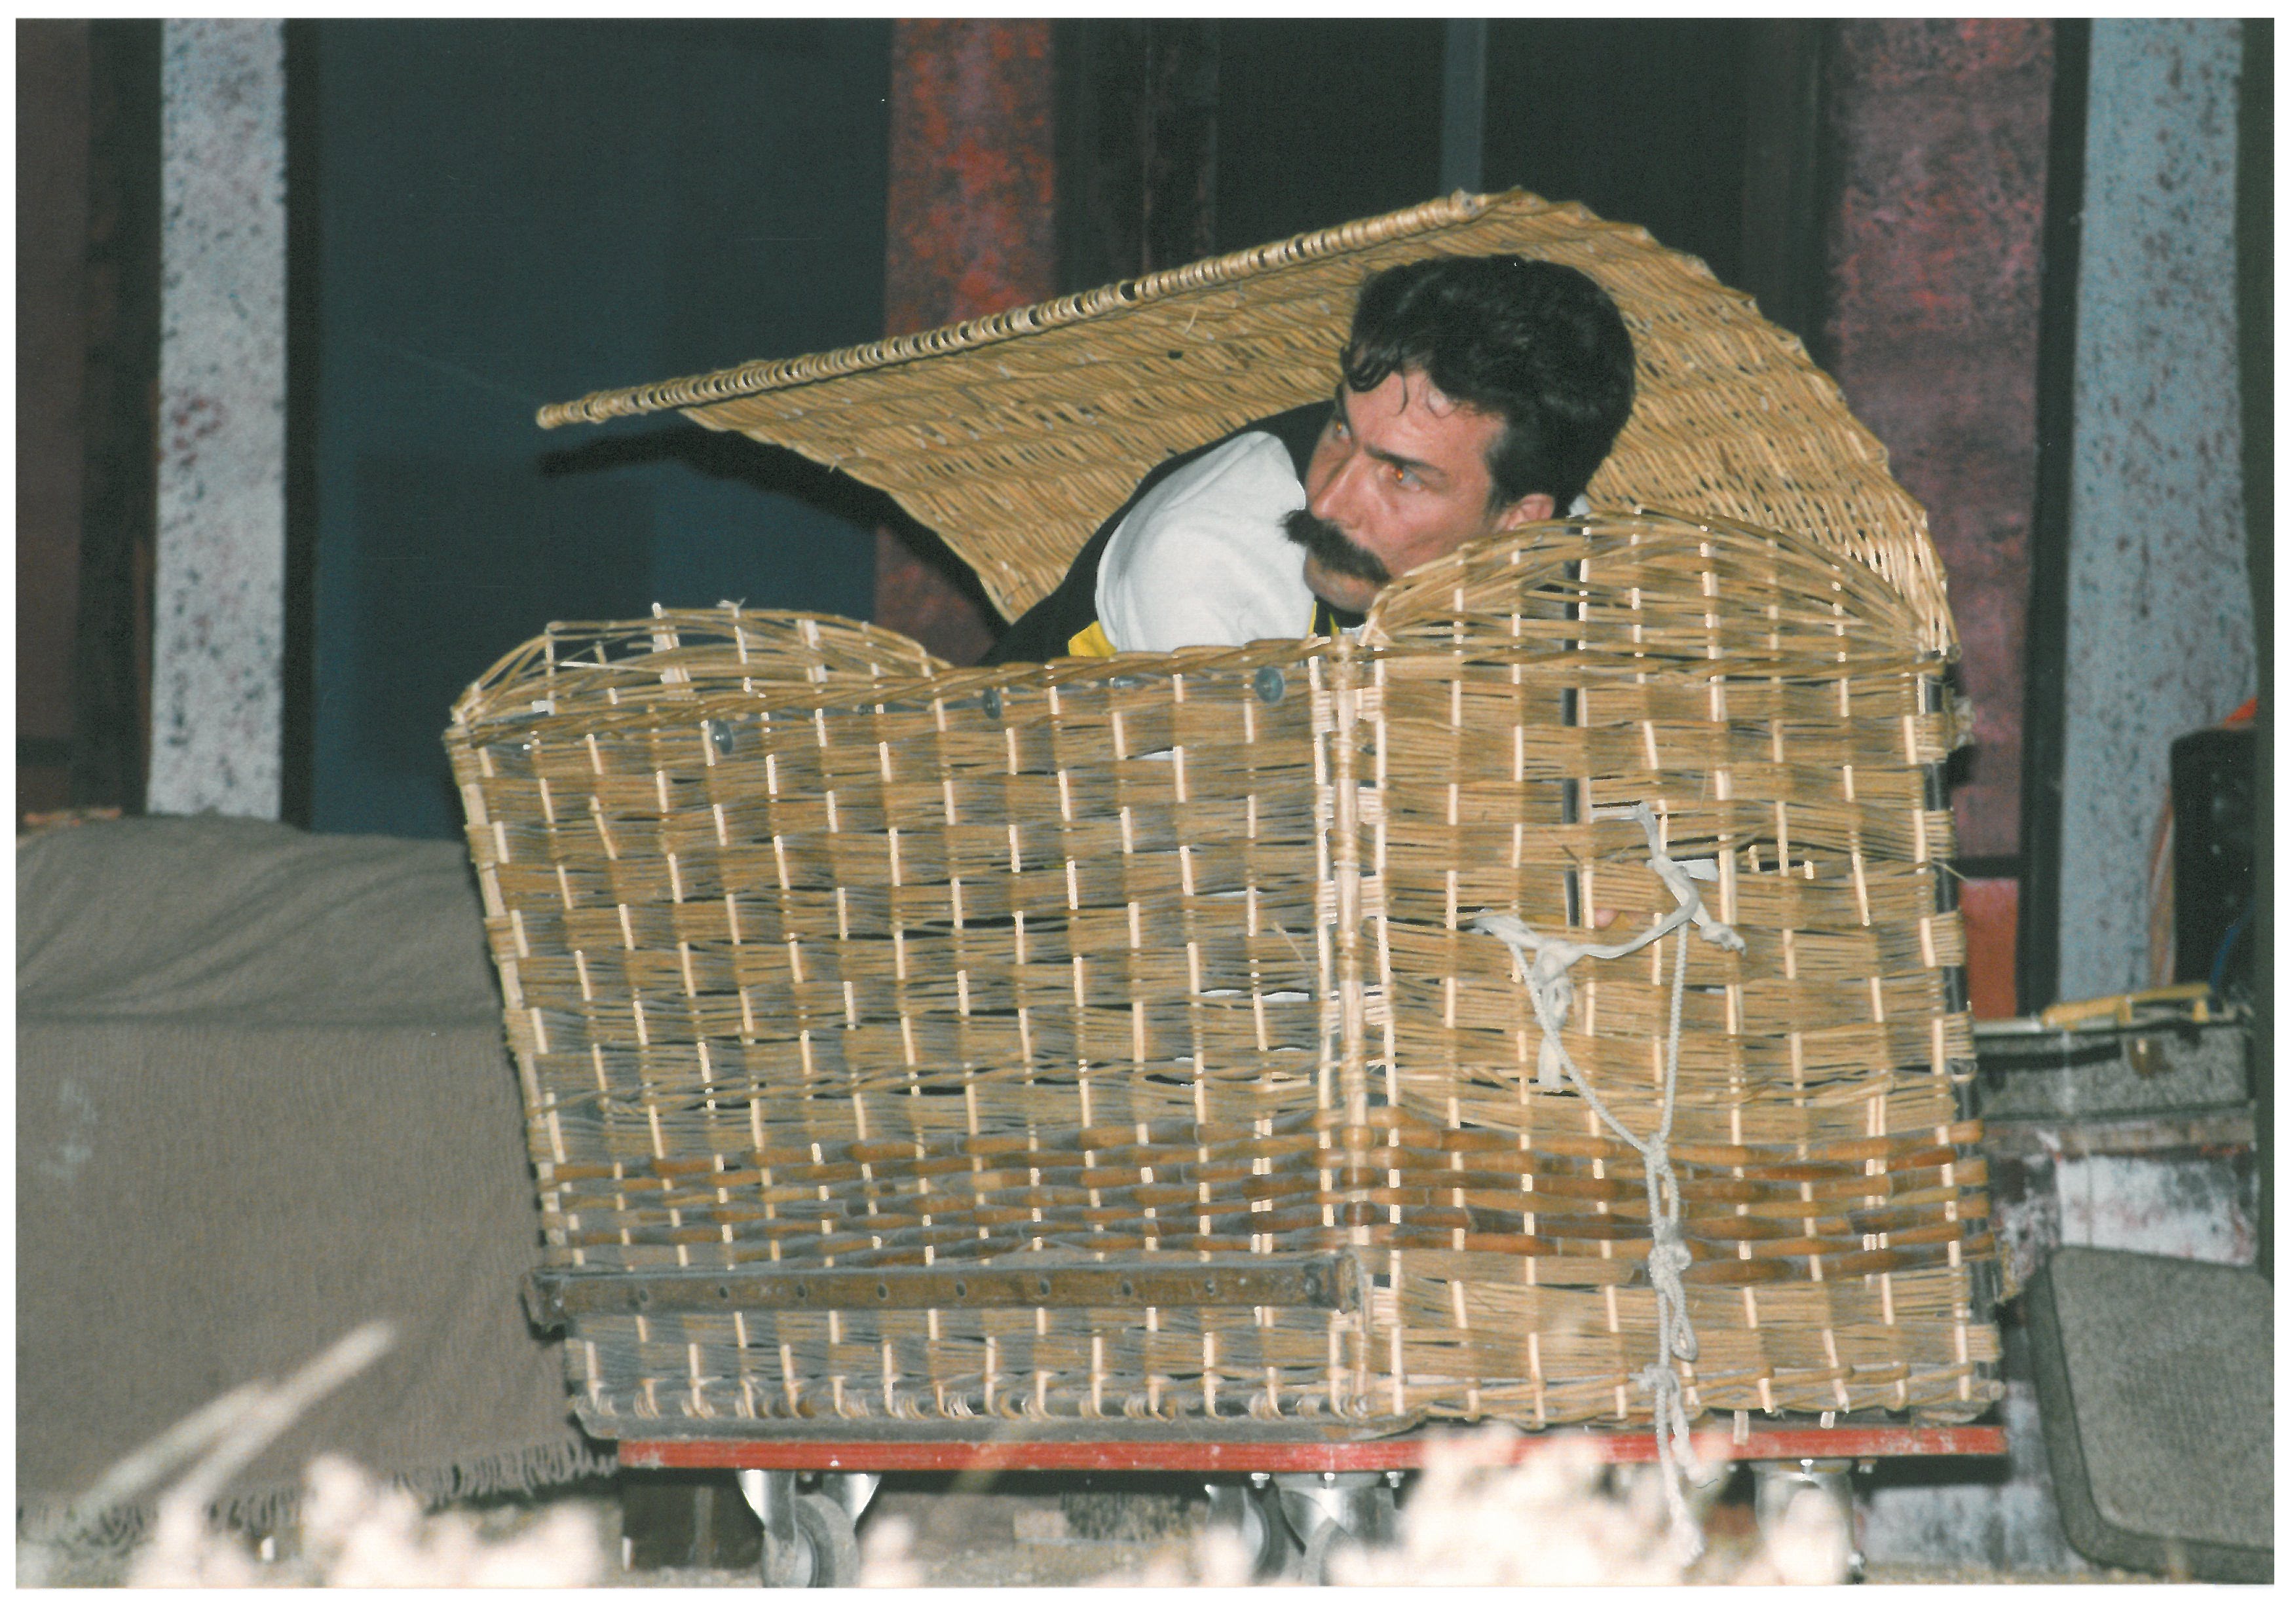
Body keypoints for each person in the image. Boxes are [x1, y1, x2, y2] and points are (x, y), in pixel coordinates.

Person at [984, 253, 1636, 665]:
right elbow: (1247, 846)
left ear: (1521, 521)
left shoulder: (1568, 562)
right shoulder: (1203, 560)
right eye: (1341, 429)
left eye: (1401, 474)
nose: (1325, 502)